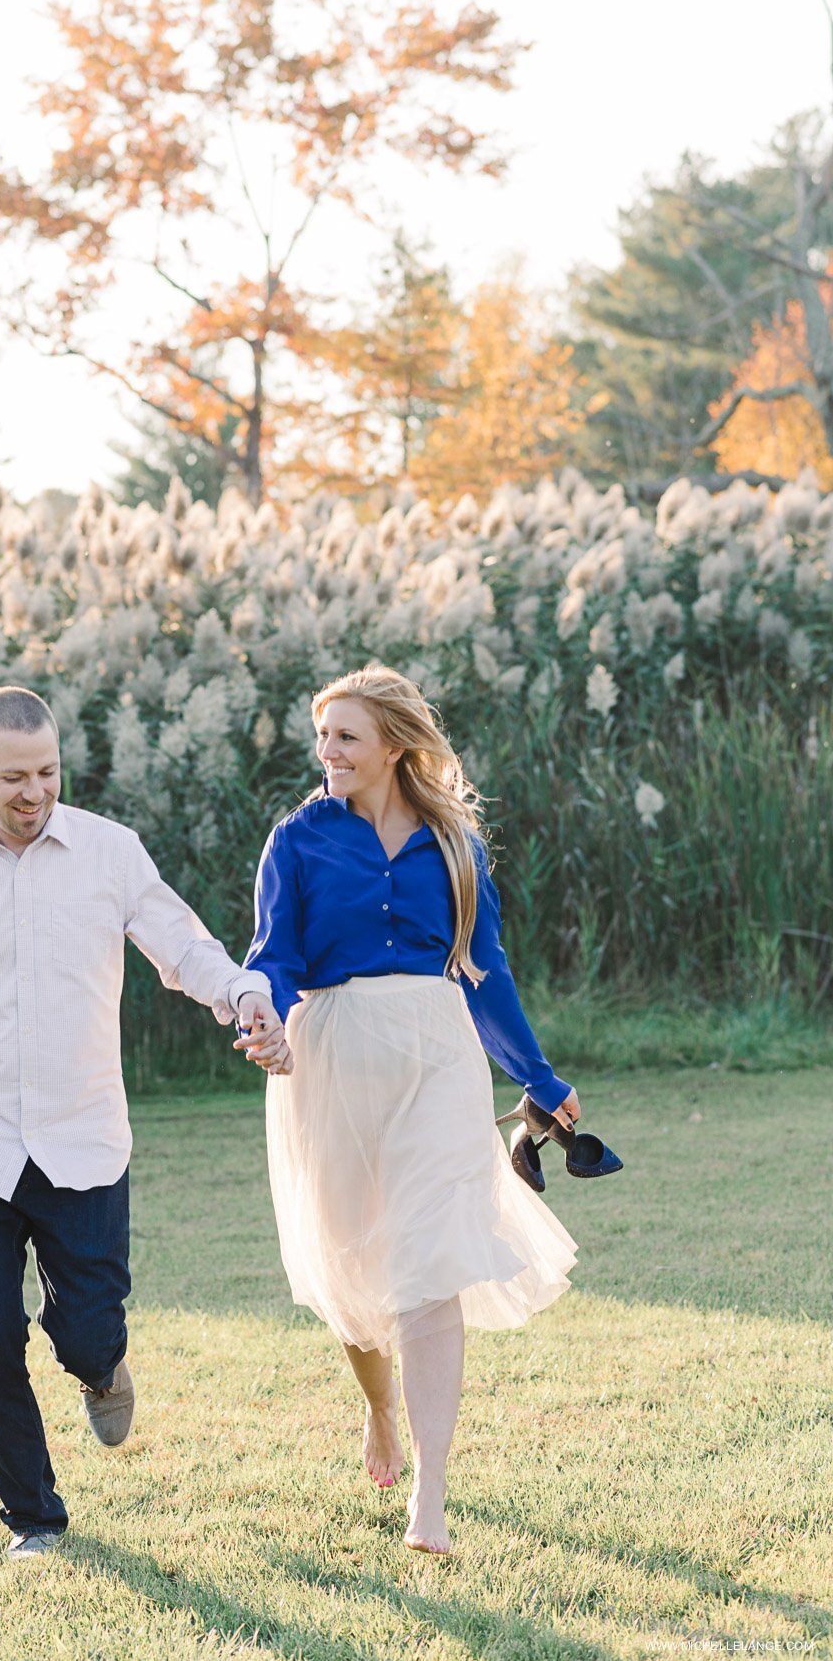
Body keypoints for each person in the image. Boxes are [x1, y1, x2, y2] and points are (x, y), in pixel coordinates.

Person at [0, 685, 287, 1560]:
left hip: (84, 1140)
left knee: (87, 1328)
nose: (34, 793)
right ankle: (34, 1518)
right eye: (13, 778)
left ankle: (102, 1366)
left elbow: (183, 948)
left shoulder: (110, 854)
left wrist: (245, 996)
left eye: (48, 773)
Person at [236, 662, 580, 1556]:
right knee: (353, 1266)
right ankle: (378, 1409)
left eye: (346, 736)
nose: (329, 752)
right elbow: (272, 956)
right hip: (335, 1056)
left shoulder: (456, 843)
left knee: (429, 1268)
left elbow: (486, 972)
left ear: (393, 743)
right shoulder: (297, 840)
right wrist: (261, 1012)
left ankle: (431, 1493)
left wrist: (539, 1078)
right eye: (323, 737)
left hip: (438, 1052)